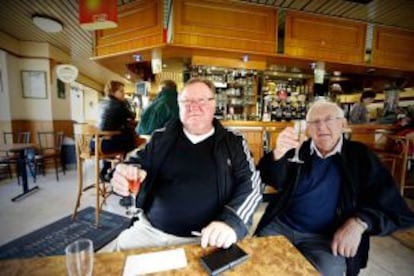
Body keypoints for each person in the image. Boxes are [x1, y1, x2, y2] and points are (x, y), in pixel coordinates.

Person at [255, 99, 414, 275]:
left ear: (343, 124)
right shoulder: (298, 149)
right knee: (258, 267)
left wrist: (359, 222)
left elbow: (397, 211)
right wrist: (277, 154)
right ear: (307, 128)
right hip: (281, 227)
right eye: (315, 122)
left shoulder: (360, 157)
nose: (321, 127)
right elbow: (270, 179)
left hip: (326, 239)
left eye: (329, 119)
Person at [111, 78, 262, 250]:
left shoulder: (233, 142)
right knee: (114, 262)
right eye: (187, 101)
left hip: (207, 239)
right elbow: (134, 163)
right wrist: (123, 173)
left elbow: (252, 185)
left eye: (202, 101)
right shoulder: (161, 137)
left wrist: (231, 223)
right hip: (151, 232)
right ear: (179, 106)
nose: (193, 107)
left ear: (214, 105)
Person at [95, 80, 137, 180]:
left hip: (94, 143)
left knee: (120, 137)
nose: (124, 94)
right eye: (121, 91)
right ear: (113, 92)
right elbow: (132, 116)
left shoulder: (101, 102)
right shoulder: (118, 104)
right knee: (132, 141)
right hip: (105, 145)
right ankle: (117, 172)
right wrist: (126, 103)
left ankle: (105, 170)